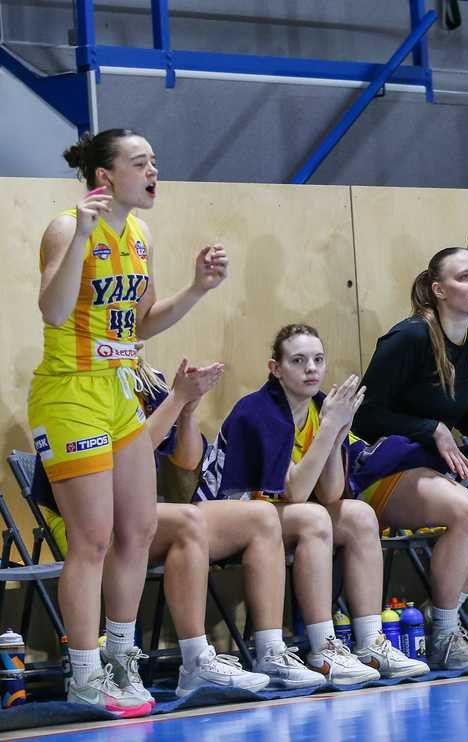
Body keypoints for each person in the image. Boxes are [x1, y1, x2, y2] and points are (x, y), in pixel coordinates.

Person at [29, 128, 227, 715]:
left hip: (120, 389)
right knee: (92, 537)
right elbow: (53, 310)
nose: (153, 171)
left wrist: (197, 289)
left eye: (155, 161)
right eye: (141, 163)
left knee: (137, 530)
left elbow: (140, 324)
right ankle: (84, 671)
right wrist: (81, 238)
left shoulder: (139, 234)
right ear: (105, 177)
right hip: (70, 392)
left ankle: (121, 657)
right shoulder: (67, 227)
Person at [33, 356, 313, 697]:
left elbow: (187, 460)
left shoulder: (146, 378)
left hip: (135, 515)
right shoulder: (86, 379)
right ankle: (194, 660)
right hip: (85, 521)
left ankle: (271, 652)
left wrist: (188, 409)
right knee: (186, 521)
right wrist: (177, 398)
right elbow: (126, 457)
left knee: (262, 516)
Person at [196, 325, 429, 681]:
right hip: (222, 517)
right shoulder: (259, 410)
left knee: (361, 516)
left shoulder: (322, 407)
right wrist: (329, 429)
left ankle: (371, 643)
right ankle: (324, 648)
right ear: (275, 368)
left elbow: (332, 492)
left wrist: (335, 434)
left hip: (277, 517)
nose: (311, 369)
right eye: (298, 360)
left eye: (318, 360)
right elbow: (297, 493)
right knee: (313, 517)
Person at [352, 247, 468, 669]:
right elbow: (364, 415)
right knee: (466, 509)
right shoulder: (409, 337)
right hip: (382, 469)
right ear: (438, 289)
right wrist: (429, 428)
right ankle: (446, 638)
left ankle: (443, 614)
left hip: (432, 468)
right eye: (465, 277)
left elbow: (465, 411)